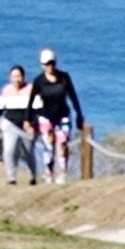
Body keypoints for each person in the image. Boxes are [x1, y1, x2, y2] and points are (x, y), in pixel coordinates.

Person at [35, 48, 87, 180]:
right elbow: (31, 101)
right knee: (48, 146)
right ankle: (49, 172)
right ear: (42, 65)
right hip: (45, 117)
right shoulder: (39, 81)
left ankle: (62, 172)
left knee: (62, 143)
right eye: (47, 64)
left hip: (63, 115)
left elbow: (73, 96)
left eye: (52, 63)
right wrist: (28, 119)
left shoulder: (64, 78)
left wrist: (79, 114)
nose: (50, 66)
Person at [0, 64, 38, 184]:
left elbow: (38, 109)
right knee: (9, 150)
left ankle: (32, 176)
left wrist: (31, 124)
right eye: (14, 76)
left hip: (26, 126)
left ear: (23, 77)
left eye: (18, 76)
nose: (16, 79)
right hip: (10, 124)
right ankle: (11, 178)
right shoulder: (7, 90)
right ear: (10, 78)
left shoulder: (31, 89)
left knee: (28, 153)